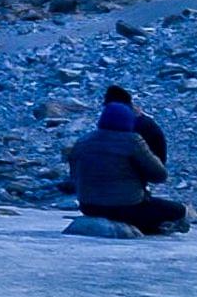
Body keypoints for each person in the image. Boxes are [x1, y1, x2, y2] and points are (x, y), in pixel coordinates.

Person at [67, 92, 185, 236]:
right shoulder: (133, 141)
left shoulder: (83, 141)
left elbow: (73, 175)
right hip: (126, 206)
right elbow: (159, 175)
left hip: (88, 206)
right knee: (178, 210)